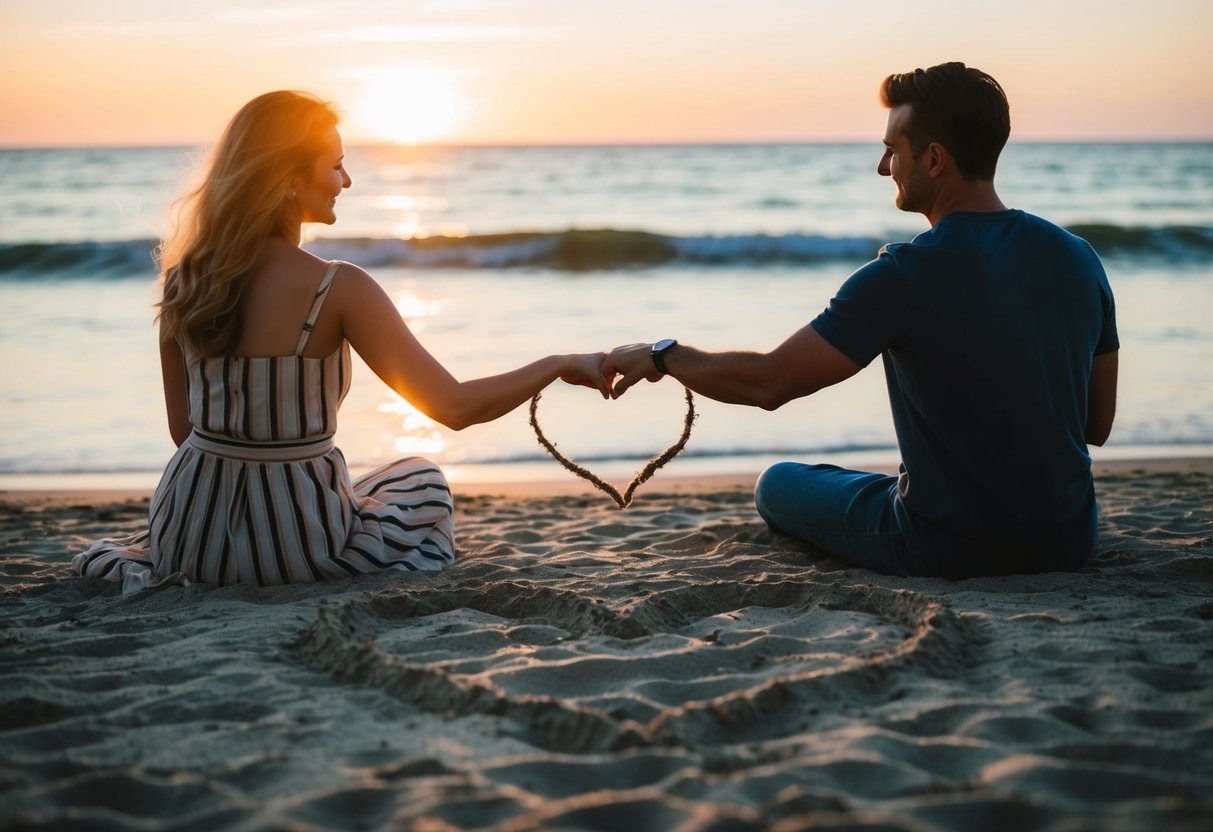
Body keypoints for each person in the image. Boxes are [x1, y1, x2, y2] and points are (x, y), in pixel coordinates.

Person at [73, 90, 607, 592]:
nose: (346, 180)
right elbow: (454, 407)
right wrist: (558, 363)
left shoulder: (184, 280)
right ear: (286, 178)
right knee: (421, 480)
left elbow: (182, 431)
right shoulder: (338, 286)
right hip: (297, 547)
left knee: (362, 484)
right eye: (334, 164)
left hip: (187, 538)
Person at [602, 62, 1119, 579]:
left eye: (893, 149)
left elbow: (769, 382)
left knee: (776, 483)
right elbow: (1096, 426)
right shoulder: (1079, 257)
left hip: (945, 546)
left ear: (935, 159)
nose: (882, 166)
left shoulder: (903, 274)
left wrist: (661, 356)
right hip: (1067, 542)